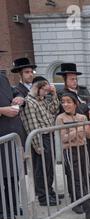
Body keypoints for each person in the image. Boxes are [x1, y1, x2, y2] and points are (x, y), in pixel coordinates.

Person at [55, 91, 90, 219]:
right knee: (76, 179)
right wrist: (78, 130)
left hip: (82, 149)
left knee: (83, 177)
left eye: (69, 102)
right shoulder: (60, 118)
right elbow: (64, 138)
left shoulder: (82, 117)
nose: (65, 104)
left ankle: (79, 202)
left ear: (75, 104)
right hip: (69, 151)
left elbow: (88, 135)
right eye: (63, 102)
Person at [56, 63, 90, 198]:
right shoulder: (62, 95)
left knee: (85, 162)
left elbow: (87, 107)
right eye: (71, 79)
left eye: (75, 79)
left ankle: (86, 187)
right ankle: (75, 195)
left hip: (83, 130)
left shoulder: (81, 92)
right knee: (72, 170)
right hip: (70, 133)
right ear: (65, 80)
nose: (74, 81)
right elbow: (66, 111)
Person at [20, 76, 62, 206]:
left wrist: (54, 94)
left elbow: (53, 110)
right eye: (44, 90)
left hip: (48, 136)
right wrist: (37, 145)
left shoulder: (40, 100)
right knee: (41, 168)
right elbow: (32, 125)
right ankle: (43, 196)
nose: (46, 93)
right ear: (37, 88)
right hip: (40, 137)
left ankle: (49, 190)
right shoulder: (29, 103)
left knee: (49, 167)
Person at [0, 73, 27, 219]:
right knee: (1, 176)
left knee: (13, 173)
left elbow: (14, 91)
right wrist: (2, 110)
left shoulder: (2, 77)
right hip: (1, 135)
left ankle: (13, 205)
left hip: (12, 133)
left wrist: (19, 97)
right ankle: (2, 210)